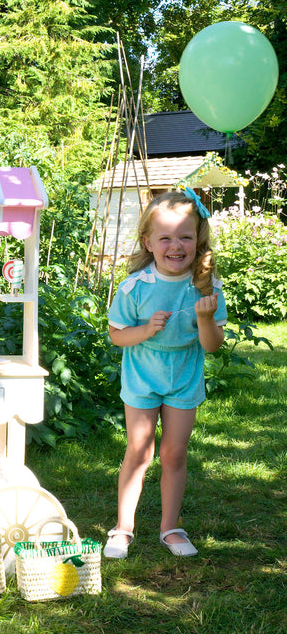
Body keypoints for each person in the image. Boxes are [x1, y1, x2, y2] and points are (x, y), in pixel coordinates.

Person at [103, 189, 225, 559]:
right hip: (142, 376)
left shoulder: (206, 287)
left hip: (183, 377)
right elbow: (117, 335)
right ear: (148, 242)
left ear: (197, 240)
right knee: (139, 450)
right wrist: (145, 330)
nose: (176, 246)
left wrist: (206, 318)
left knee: (174, 453)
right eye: (166, 238)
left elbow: (211, 345)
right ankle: (123, 528)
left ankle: (170, 528)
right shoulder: (135, 287)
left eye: (185, 237)